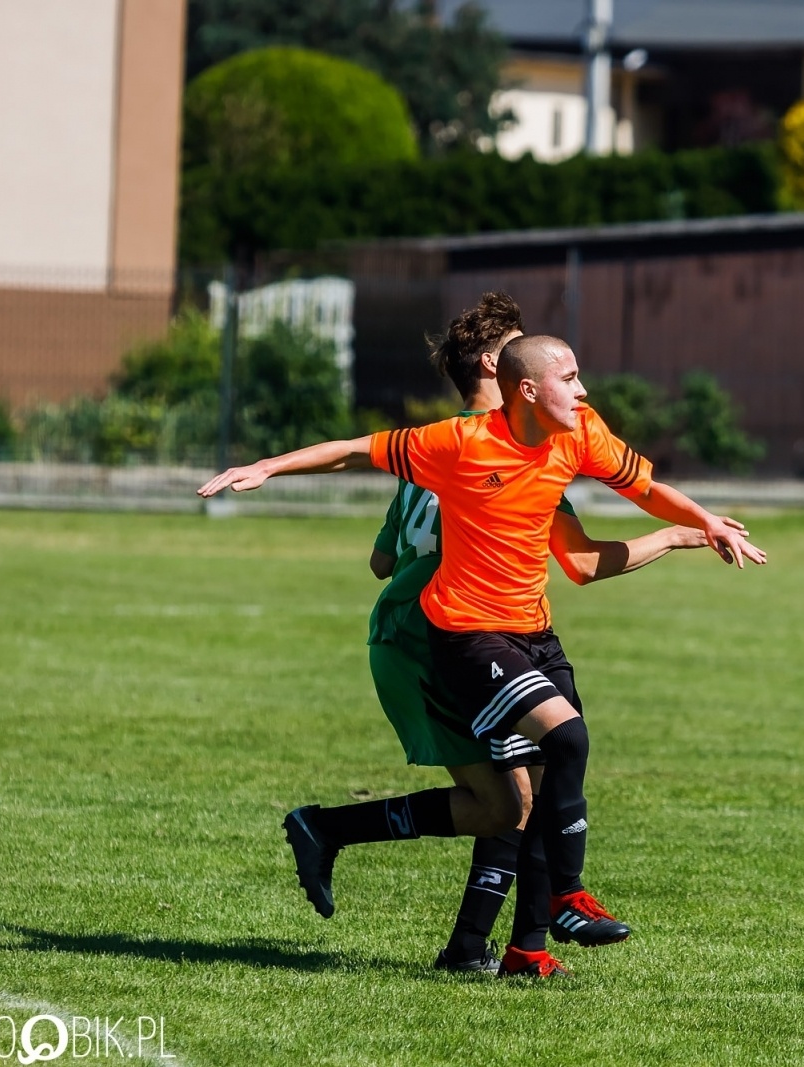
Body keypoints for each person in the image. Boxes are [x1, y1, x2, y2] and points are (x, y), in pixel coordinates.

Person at [197, 332, 765, 974]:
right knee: (563, 744)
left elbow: (642, 487)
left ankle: (524, 950)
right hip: (465, 635)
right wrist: (267, 467)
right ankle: (561, 897)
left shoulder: (578, 432)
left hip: (532, 632)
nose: (583, 391)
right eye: (571, 377)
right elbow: (358, 452)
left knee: (529, 791)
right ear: (522, 384)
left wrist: (704, 521)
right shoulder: (459, 443)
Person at [363, 294, 707, 978]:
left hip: (409, 632)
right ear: (504, 368)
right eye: (548, 364)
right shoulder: (520, 450)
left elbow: (382, 560)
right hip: (466, 637)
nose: (571, 385)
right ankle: (513, 930)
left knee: (520, 790)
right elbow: (578, 562)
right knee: (517, 793)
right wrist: (670, 534)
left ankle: (509, 946)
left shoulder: (433, 446)